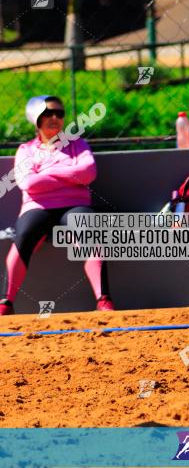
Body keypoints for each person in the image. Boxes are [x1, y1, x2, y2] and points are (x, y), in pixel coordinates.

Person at [0, 96, 114, 316]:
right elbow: (28, 183)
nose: (54, 118)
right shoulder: (26, 150)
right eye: (48, 113)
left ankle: (104, 300)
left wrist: (46, 174)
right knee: (24, 235)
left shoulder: (77, 144)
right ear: (36, 118)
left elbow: (88, 173)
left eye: (59, 114)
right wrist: (70, 176)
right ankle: (7, 302)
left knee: (88, 229)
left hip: (75, 205)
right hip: (37, 207)